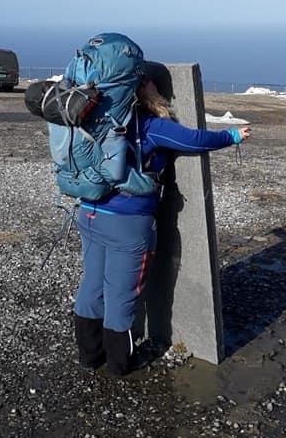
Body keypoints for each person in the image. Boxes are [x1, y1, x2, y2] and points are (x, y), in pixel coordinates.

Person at [73, 76, 251, 376]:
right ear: (145, 90)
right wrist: (231, 136)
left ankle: (89, 357)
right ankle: (120, 365)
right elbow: (194, 140)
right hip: (126, 223)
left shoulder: (95, 120)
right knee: (121, 293)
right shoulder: (151, 125)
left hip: (88, 212)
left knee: (92, 284)